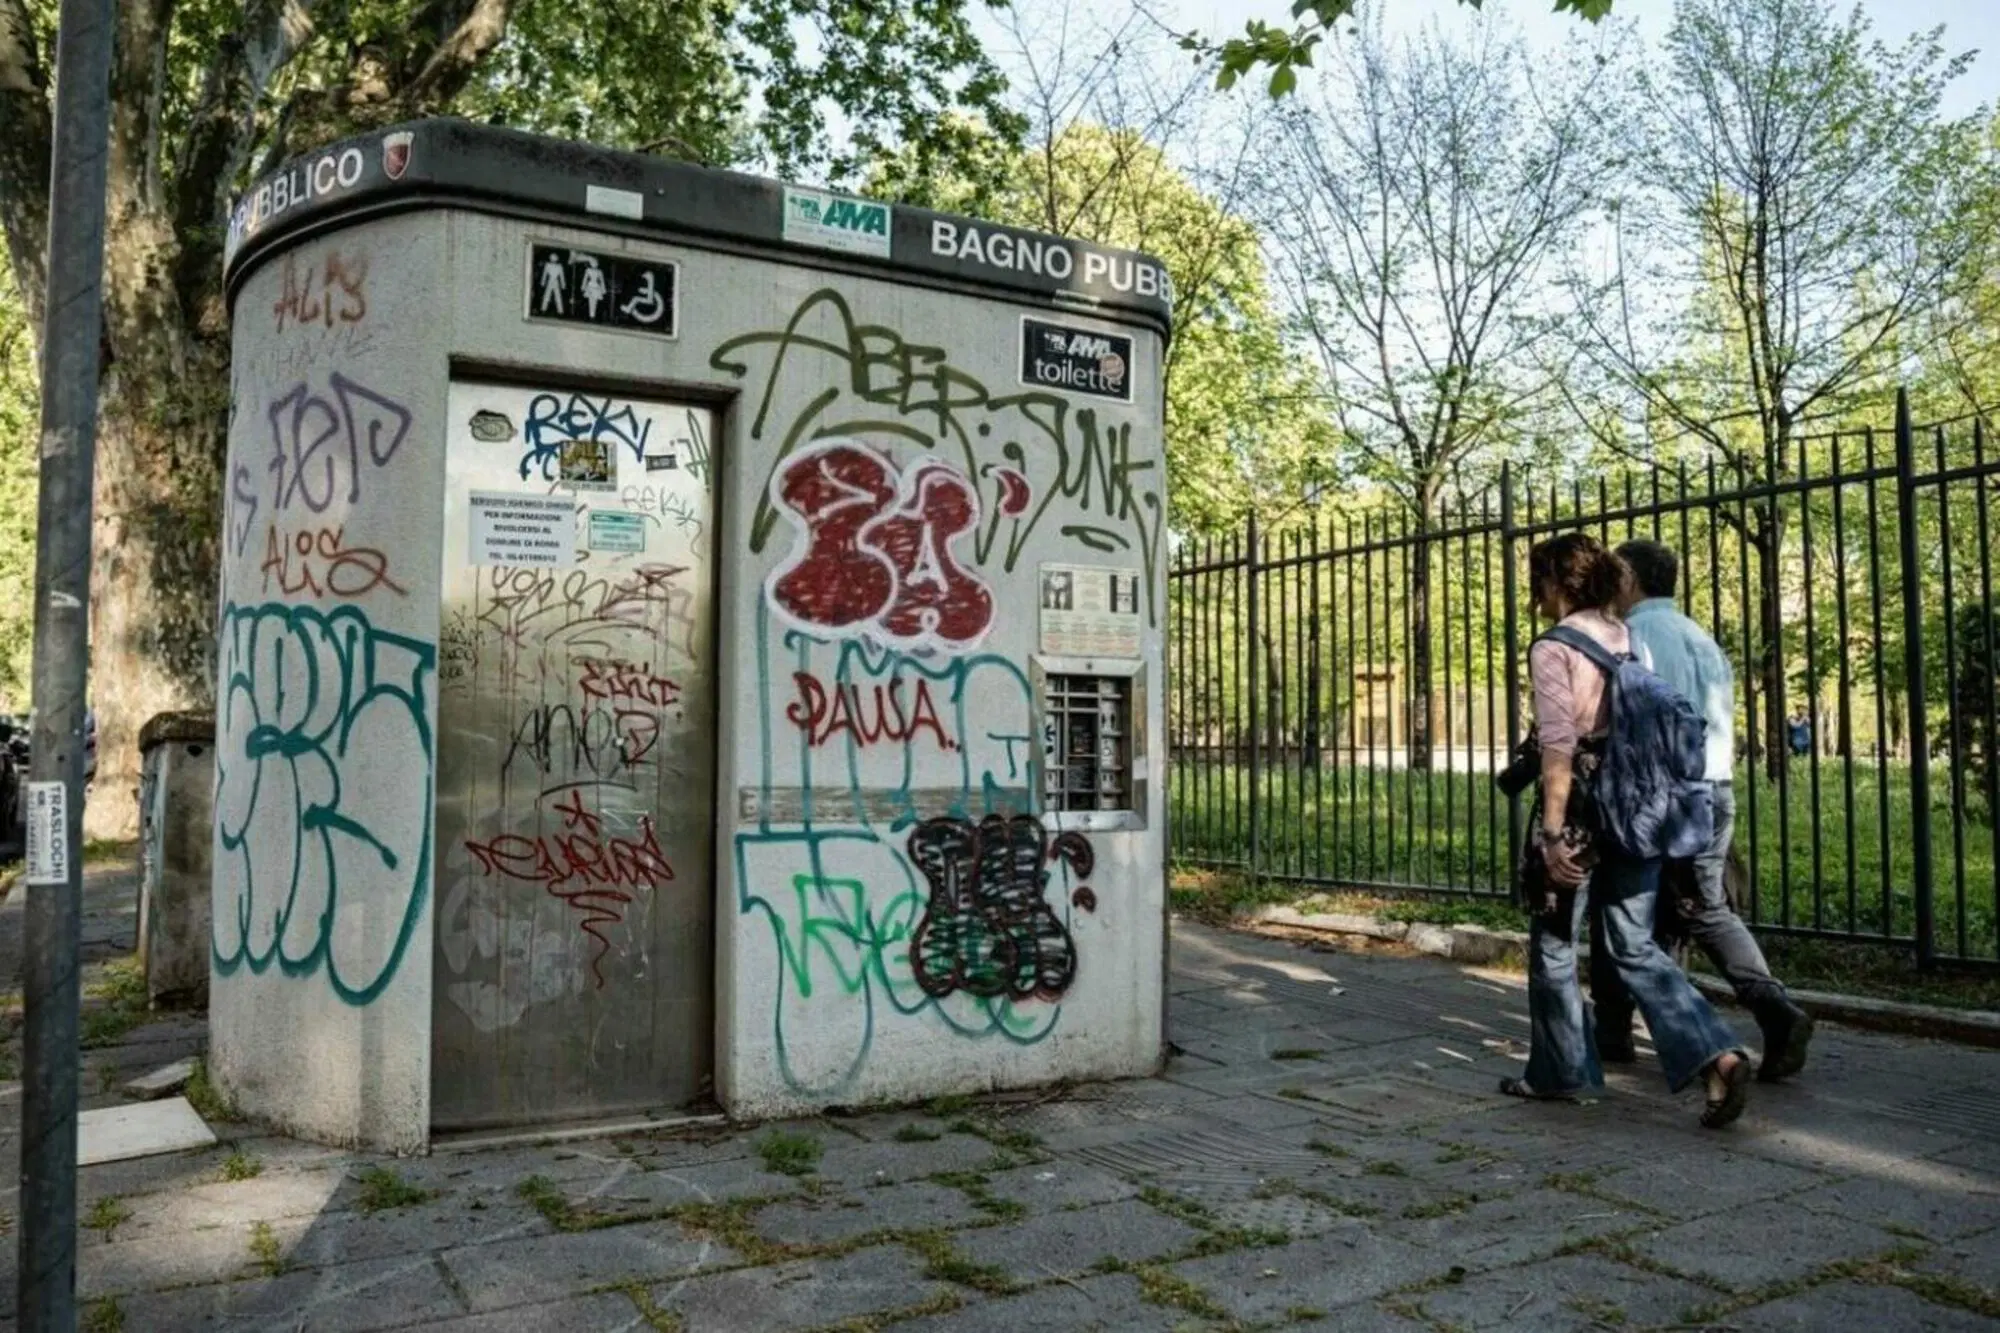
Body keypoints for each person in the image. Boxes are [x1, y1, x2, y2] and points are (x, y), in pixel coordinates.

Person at [1502, 532, 1754, 1129]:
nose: (1532, 592)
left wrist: (1553, 832)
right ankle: (1715, 1054)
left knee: (1555, 944)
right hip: (1638, 809)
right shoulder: (1625, 636)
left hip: (1586, 812)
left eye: (1536, 578)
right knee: (1634, 944)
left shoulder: (1553, 648)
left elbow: (1559, 746)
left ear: (1559, 582)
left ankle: (1563, 1074)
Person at [1598, 540, 1815, 1081]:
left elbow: (1634, 720)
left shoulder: (1638, 639)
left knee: (1646, 905)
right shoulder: (1701, 637)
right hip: (1715, 789)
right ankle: (1630, 1026)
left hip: (1665, 795)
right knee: (1693, 905)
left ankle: (1772, 1011)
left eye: (1614, 575)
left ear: (1628, 578)